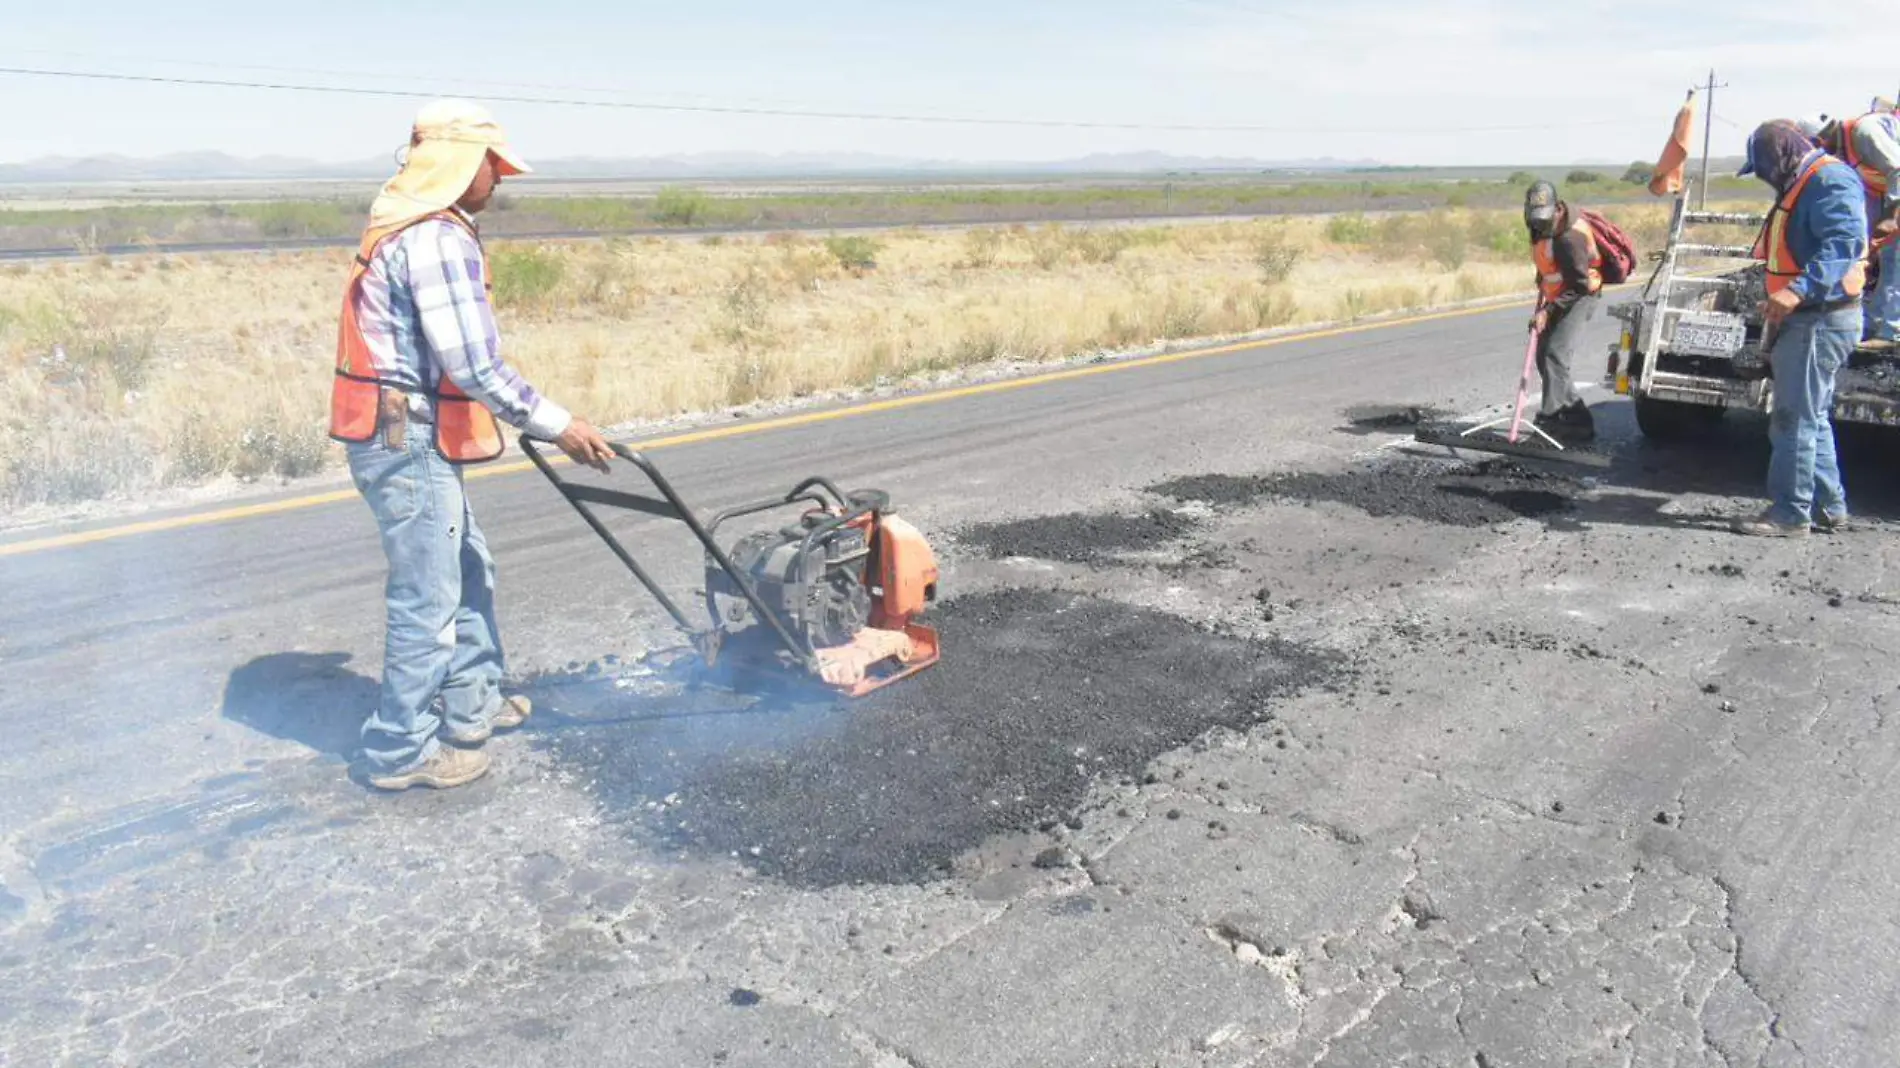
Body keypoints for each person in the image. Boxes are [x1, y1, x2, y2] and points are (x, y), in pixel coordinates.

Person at [330, 100, 617, 789]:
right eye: (494, 163)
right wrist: (560, 424)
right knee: (427, 596)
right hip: (406, 437)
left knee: (468, 567)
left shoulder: (415, 227)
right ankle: (400, 750)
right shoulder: (435, 239)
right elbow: (476, 366)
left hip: (406, 432)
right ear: (462, 164)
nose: (501, 178)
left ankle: (473, 702)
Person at [1731, 119, 1869, 537]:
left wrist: (1797, 290)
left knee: (1792, 420)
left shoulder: (1828, 178)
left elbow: (1843, 242)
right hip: (1807, 315)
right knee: (1813, 416)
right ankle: (1831, 507)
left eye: (1765, 169)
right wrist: (1781, 294)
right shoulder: (1803, 181)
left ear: (1782, 156)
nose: (1766, 179)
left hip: (1821, 317)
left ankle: (1790, 514)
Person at [1522, 180, 1602, 442]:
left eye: (1544, 218)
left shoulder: (1570, 237)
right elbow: (1547, 257)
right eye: (1535, 218)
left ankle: (1550, 420)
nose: (1540, 224)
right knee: (1544, 355)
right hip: (1558, 295)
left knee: (1555, 355)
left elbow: (1578, 285)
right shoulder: (1538, 224)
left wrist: (1547, 311)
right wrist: (1542, 276)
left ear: (1557, 208)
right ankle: (1578, 421)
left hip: (1580, 295)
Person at [1815, 109, 1900, 348]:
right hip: (1885, 196)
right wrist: (1866, 239)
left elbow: (1898, 169)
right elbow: (1868, 191)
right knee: (1883, 258)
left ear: (1823, 138)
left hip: (1896, 196)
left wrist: (1891, 214)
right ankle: (1872, 324)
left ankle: (1891, 332)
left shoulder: (1865, 132)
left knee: (1896, 260)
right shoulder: (1843, 152)